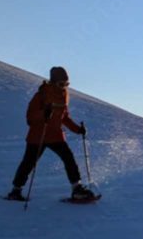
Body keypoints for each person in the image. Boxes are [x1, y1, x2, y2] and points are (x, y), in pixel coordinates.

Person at [6, 66, 95, 200]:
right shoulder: (41, 95)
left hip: (56, 135)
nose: (64, 86)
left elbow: (64, 117)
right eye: (61, 83)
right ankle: (15, 191)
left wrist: (78, 129)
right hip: (38, 136)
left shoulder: (64, 96)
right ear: (53, 81)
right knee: (28, 164)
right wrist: (44, 114)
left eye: (67, 84)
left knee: (69, 159)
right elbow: (30, 117)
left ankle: (77, 189)